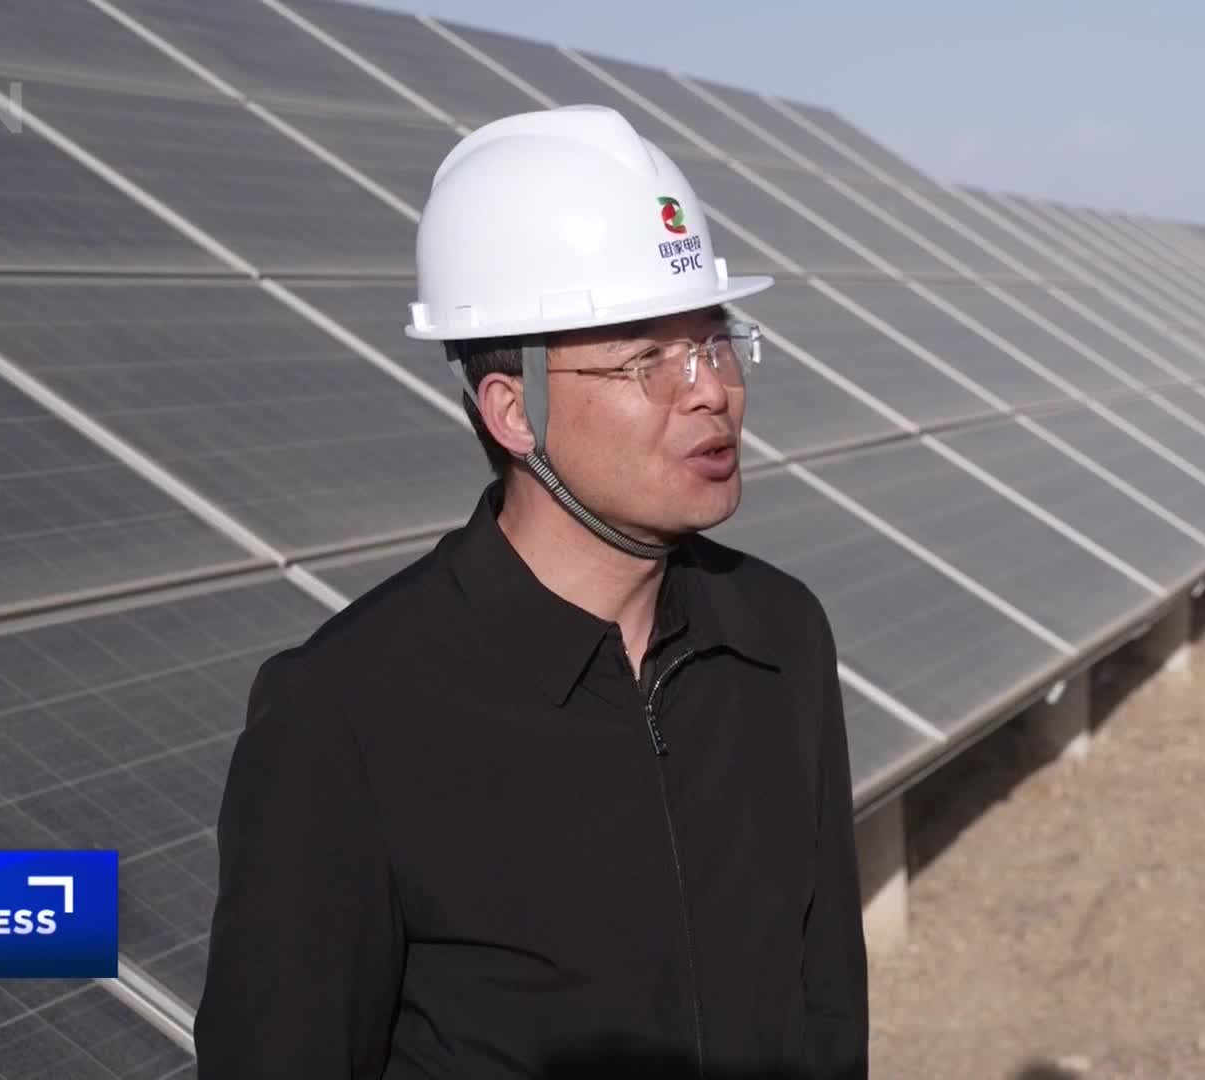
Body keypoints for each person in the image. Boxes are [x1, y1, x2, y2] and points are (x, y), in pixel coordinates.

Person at [194, 104, 868, 1079]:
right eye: (646, 358)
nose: (709, 389)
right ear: (515, 411)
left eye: (715, 343)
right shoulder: (353, 712)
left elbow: (825, 1006)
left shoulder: (776, 639)